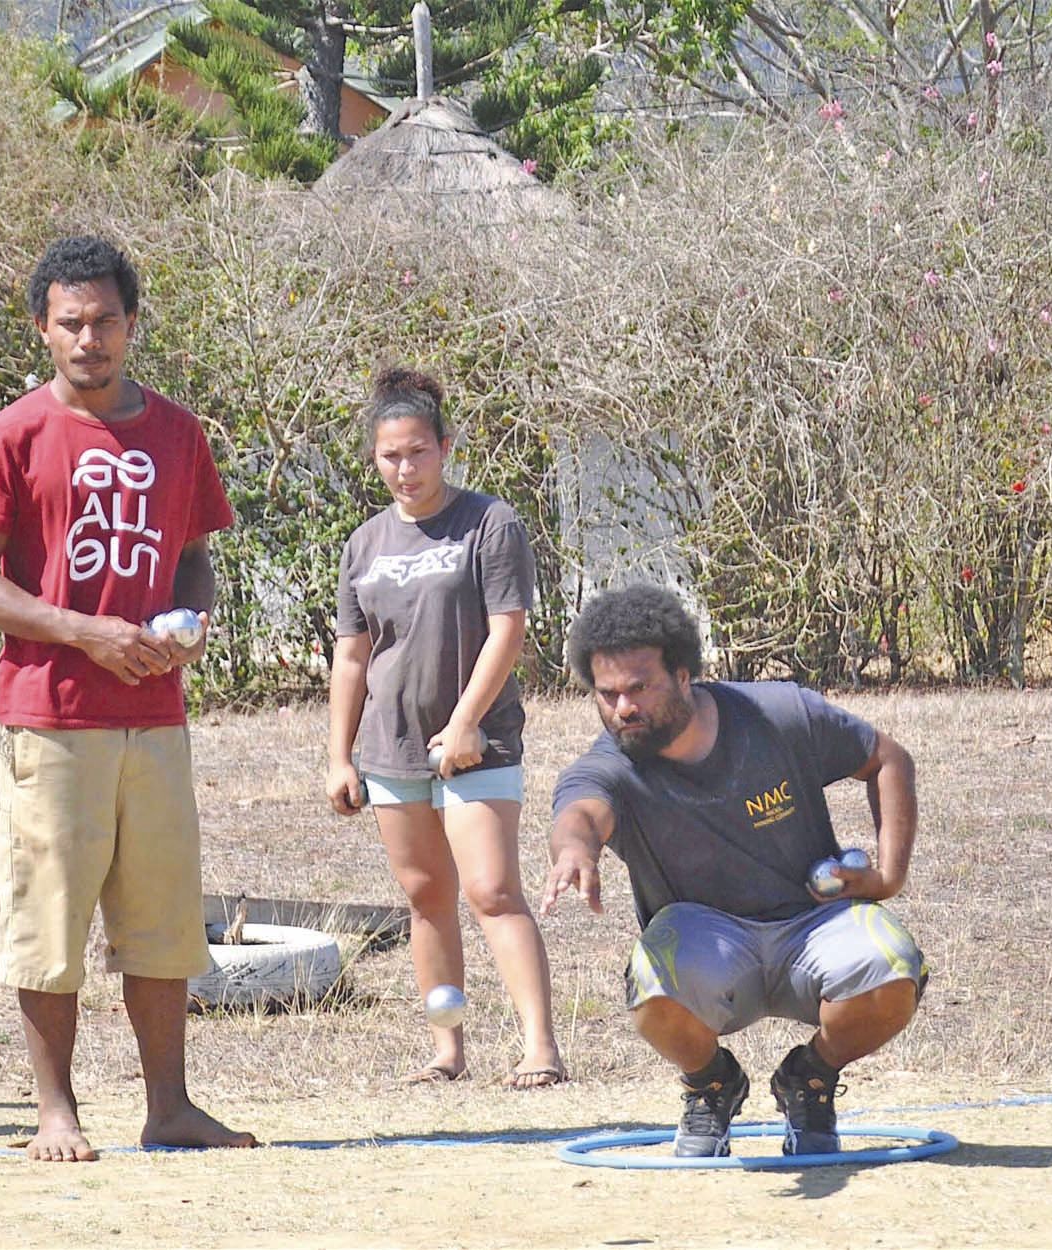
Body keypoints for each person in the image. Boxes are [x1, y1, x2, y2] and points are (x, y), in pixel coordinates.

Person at [0, 236, 254, 1162]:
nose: (89, 339)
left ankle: (170, 1109)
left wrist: (186, 625)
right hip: (52, 717)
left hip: (155, 718)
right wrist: (82, 631)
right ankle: (55, 1113)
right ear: (42, 328)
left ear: (131, 324)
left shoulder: (177, 433)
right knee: (51, 923)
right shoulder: (12, 435)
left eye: (105, 321)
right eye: (70, 323)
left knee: (161, 925)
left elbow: (194, 556)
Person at [539, 584, 927, 1157]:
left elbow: (887, 759)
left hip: (811, 925)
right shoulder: (611, 765)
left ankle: (809, 1080)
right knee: (649, 983)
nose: (623, 708)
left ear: (684, 675)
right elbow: (581, 811)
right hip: (708, 941)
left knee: (894, 968)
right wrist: (575, 850)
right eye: (608, 694)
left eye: (639, 687)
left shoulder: (778, 715)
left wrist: (889, 876)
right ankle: (712, 1085)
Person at [324, 368, 565, 1088]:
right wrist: (339, 756)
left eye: (417, 452)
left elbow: (507, 630)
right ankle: (446, 1050)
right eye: (390, 457)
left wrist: (463, 723)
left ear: (445, 447)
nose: (405, 469)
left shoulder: (490, 523)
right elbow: (351, 654)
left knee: (491, 891)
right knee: (425, 899)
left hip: (477, 742)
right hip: (390, 748)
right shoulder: (363, 544)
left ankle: (539, 1049)